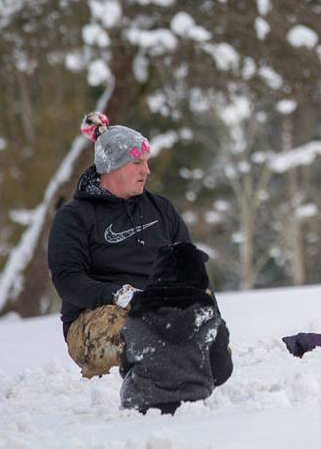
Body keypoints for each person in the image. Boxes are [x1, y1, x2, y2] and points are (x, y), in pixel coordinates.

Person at [48, 112, 194, 377]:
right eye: (137, 162)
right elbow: (67, 280)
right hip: (97, 319)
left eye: (147, 162)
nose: (146, 170)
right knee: (127, 332)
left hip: (156, 313)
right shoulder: (74, 217)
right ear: (112, 166)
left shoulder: (161, 209)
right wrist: (121, 295)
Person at [119, 241, 233, 415]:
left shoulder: (136, 319)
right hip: (194, 404)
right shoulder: (209, 320)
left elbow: (125, 368)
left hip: (139, 408)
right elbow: (222, 371)